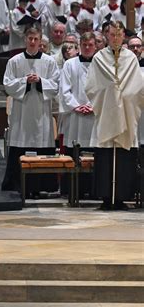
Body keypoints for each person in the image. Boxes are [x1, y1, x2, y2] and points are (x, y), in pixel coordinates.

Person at [85, 21, 144, 209]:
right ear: (107, 36)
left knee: (124, 156)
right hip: (106, 113)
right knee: (105, 155)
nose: (116, 38)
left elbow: (138, 87)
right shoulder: (99, 58)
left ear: (123, 36)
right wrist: (110, 91)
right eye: (112, 35)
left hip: (125, 112)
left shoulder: (130, 59)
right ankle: (105, 197)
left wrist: (124, 94)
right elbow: (92, 87)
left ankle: (121, 197)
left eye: (119, 35)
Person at [1, 27, 60, 194]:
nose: (33, 42)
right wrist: (25, 81)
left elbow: (56, 86)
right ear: (25, 40)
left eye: (36, 39)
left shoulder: (49, 62)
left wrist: (40, 81)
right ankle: (17, 185)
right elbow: (7, 84)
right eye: (30, 38)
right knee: (20, 144)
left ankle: (44, 186)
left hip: (42, 113)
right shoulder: (14, 61)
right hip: (22, 113)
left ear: (40, 40)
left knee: (42, 143)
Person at [58, 32, 97, 195]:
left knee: (93, 152)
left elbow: (103, 90)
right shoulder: (70, 64)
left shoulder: (100, 64)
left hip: (94, 116)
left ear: (95, 46)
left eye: (90, 45)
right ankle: (71, 190)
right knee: (73, 151)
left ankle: (93, 189)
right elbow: (64, 89)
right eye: (84, 45)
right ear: (79, 45)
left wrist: (92, 106)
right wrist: (76, 106)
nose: (87, 48)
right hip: (74, 116)